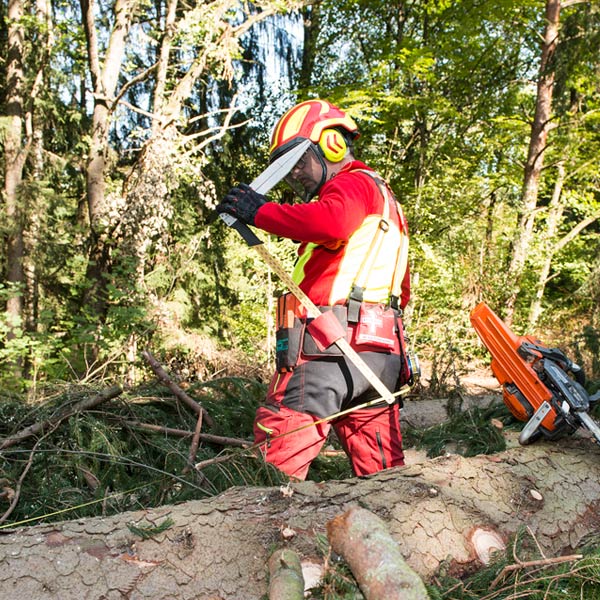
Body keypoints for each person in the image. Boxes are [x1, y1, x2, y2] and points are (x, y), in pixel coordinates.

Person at [216, 99, 412, 480]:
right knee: (386, 480)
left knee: (276, 469)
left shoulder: (352, 184)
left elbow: (331, 223)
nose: (296, 176)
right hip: (380, 354)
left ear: (332, 144)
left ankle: (263, 537)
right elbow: (400, 290)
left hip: (329, 351)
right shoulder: (385, 203)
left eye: (299, 162)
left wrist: (260, 211)